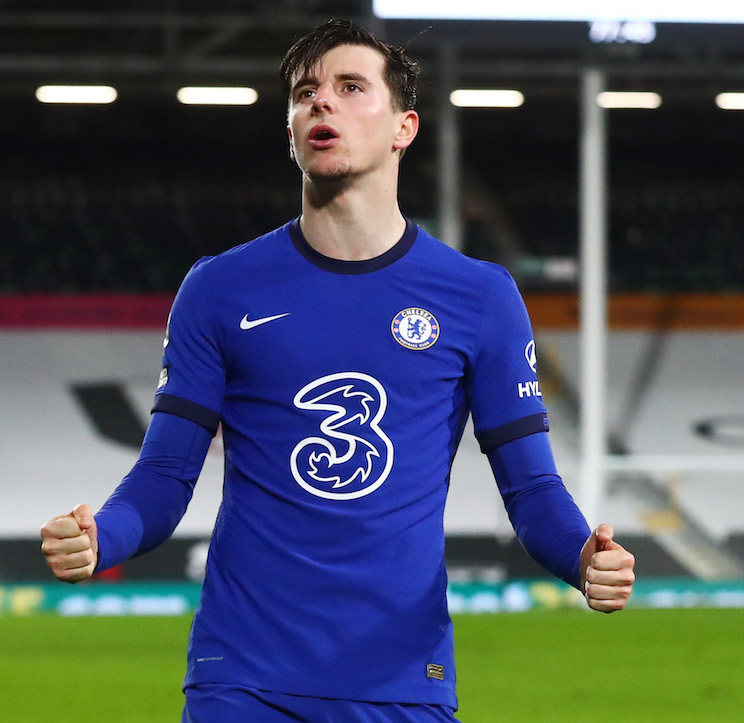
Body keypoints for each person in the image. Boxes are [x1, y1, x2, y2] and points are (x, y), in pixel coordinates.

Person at [41, 18, 636, 721]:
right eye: (305, 93)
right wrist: (101, 536)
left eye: (351, 87)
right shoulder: (219, 289)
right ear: (290, 130)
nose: (321, 102)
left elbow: (532, 488)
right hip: (243, 677)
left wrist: (583, 556)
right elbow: (166, 476)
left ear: (403, 127)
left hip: (401, 677)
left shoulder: (480, 297)